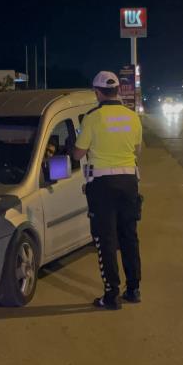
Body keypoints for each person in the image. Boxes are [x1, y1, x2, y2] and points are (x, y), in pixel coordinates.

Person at [72, 71, 143, 310]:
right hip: (129, 182)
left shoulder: (93, 118)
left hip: (102, 186)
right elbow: (137, 148)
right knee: (129, 236)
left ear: (97, 93)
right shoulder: (132, 117)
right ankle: (133, 289)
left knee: (106, 240)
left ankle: (111, 295)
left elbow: (78, 153)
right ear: (117, 91)